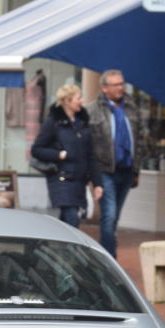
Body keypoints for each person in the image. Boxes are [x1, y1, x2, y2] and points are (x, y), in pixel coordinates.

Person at [32, 82, 100, 229]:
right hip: (61, 179)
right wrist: (59, 155)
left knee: (67, 224)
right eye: (78, 98)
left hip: (80, 182)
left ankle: (56, 249)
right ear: (67, 101)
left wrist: (97, 183)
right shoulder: (53, 122)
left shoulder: (83, 123)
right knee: (72, 220)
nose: (82, 101)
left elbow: (90, 155)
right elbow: (36, 149)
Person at [84, 68, 136, 257]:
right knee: (109, 215)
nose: (120, 88)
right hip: (104, 170)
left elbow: (137, 139)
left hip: (126, 169)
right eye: (116, 85)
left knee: (114, 218)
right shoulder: (92, 110)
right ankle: (109, 259)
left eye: (122, 84)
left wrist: (136, 170)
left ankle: (102, 254)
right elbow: (88, 144)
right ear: (104, 88)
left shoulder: (130, 108)